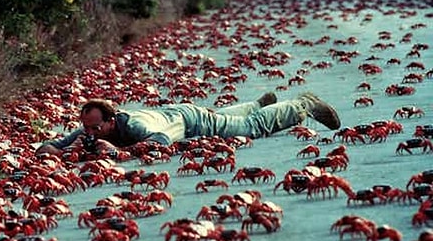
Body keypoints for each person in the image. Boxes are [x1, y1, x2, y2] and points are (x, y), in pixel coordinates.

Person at [34, 91, 340, 156]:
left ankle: (303, 104)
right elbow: (43, 150)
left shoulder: (136, 127)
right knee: (233, 119)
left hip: (189, 122)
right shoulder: (88, 131)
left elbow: (161, 144)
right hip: (170, 112)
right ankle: (256, 104)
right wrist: (63, 150)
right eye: (85, 128)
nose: (89, 133)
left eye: (95, 128)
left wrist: (118, 153)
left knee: (250, 129)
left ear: (112, 121)